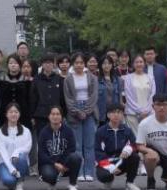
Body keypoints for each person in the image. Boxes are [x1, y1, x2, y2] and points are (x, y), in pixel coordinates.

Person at [64, 52, 99, 181]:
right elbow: (68, 98)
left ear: (85, 64)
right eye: (76, 63)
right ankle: (78, 172)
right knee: (77, 145)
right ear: (73, 64)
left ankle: (89, 172)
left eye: (81, 63)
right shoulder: (68, 79)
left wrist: (87, 111)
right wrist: (77, 111)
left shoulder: (92, 77)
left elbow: (94, 96)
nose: (79, 65)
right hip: (74, 111)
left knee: (89, 144)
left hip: (89, 110)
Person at [94, 104, 141, 190]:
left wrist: (128, 149)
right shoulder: (100, 131)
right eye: (113, 112)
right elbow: (98, 152)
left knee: (135, 157)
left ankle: (130, 182)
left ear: (123, 115)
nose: (116, 115)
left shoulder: (127, 130)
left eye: (119, 112)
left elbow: (135, 145)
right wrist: (110, 167)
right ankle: (108, 180)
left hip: (122, 161)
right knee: (103, 176)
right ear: (108, 115)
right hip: (107, 162)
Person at [38, 106, 82, 190]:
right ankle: (52, 182)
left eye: (58, 114)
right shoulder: (43, 132)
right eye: (53, 114)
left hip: (64, 163)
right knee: (48, 174)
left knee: (76, 157)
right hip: (50, 164)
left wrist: (62, 164)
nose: (55, 116)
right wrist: (54, 164)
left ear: (62, 117)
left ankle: (72, 185)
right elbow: (42, 154)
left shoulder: (68, 131)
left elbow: (72, 148)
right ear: (49, 116)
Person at [0, 103, 32, 190]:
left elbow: (27, 148)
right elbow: (3, 153)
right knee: (9, 180)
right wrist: (11, 168)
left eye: (16, 112)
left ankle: (19, 183)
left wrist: (16, 152)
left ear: (19, 114)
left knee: (21, 156)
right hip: (4, 163)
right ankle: (13, 182)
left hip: (19, 162)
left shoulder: (26, 131)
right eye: (11, 112)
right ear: (6, 114)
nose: (13, 114)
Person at [30, 54, 65, 139]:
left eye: (50, 63)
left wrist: (63, 114)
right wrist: (32, 116)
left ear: (53, 64)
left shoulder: (59, 79)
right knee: (42, 139)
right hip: (40, 115)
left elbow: (62, 98)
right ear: (42, 64)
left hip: (56, 115)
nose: (48, 65)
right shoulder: (36, 79)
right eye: (45, 63)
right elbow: (33, 98)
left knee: (56, 139)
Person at [124, 55, 155, 135]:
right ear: (133, 64)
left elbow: (153, 95)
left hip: (148, 113)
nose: (139, 64)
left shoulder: (150, 78)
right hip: (132, 114)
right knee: (135, 138)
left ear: (144, 63)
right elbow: (129, 97)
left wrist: (146, 110)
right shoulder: (128, 78)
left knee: (148, 137)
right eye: (136, 62)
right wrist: (140, 111)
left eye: (141, 62)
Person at [97, 56, 122, 126]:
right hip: (102, 114)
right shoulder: (96, 80)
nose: (107, 65)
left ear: (112, 65)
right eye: (104, 63)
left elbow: (120, 97)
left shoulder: (117, 80)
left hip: (114, 112)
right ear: (101, 65)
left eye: (109, 63)